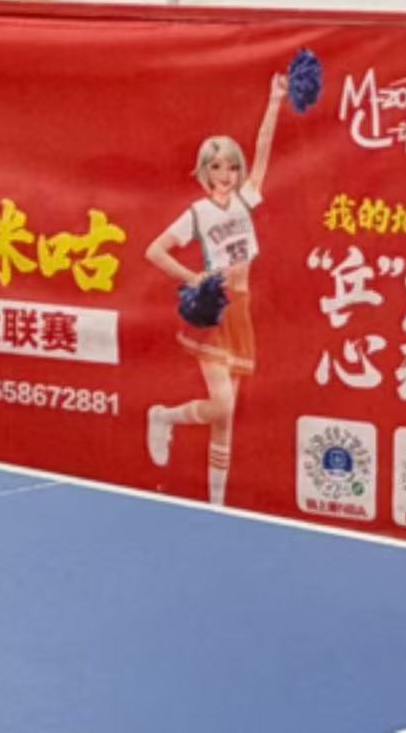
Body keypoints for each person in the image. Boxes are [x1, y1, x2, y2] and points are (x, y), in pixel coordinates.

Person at [142, 73, 286, 507]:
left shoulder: (246, 200)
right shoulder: (197, 213)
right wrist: (194, 279)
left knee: (226, 419)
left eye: (231, 166)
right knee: (221, 405)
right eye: (216, 166)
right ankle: (164, 417)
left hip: (242, 309)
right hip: (213, 313)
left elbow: (264, 147)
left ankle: (217, 505)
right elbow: (154, 250)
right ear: (204, 171)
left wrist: (275, 100)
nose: (225, 174)